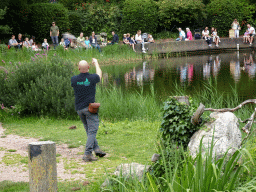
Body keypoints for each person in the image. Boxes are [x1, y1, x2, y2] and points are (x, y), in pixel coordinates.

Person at [71, 59, 106, 162]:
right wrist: (96, 63)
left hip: (79, 109)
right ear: (88, 68)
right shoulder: (92, 78)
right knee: (92, 130)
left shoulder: (74, 79)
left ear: (78, 68)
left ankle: (97, 149)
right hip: (90, 109)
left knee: (89, 130)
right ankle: (87, 154)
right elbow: (99, 74)